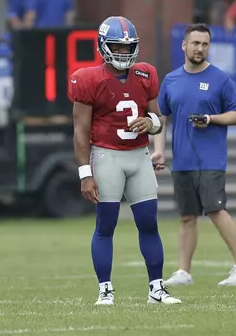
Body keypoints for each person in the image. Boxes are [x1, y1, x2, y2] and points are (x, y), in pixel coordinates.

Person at [69, 16, 181, 305]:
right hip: (107, 156)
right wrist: (85, 173)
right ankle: (105, 289)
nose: (122, 53)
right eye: (117, 47)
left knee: (149, 222)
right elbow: (80, 131)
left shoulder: (145, 74)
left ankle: (156, 288)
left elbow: (157, 119)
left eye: (127, 47)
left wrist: (150, 123)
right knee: (106, 225)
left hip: (139, 156)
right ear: (104, 46)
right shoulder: (87, 78)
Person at [153, 23, 236, 287]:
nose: (200, 48)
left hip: (210, 159)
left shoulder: (220, 79)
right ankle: (183, 272)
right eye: (196, 43)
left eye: (205, 44)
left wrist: (211, 119)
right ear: (184, 45)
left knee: (215, 210)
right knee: (186, 215)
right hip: (182, 161)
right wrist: (158, 150)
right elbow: (160, 119)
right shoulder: (171, 80)